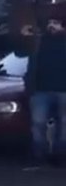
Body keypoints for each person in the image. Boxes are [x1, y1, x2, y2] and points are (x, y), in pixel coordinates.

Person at [22, 15, 66, 164]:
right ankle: (39, 154)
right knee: (38, 122)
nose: (51, 26)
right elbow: (22, 52)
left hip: (63, 90)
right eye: (50, 23)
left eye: (56, 23)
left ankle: (61, 155)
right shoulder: (39, 41)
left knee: (64, 124)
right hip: (40, 90)